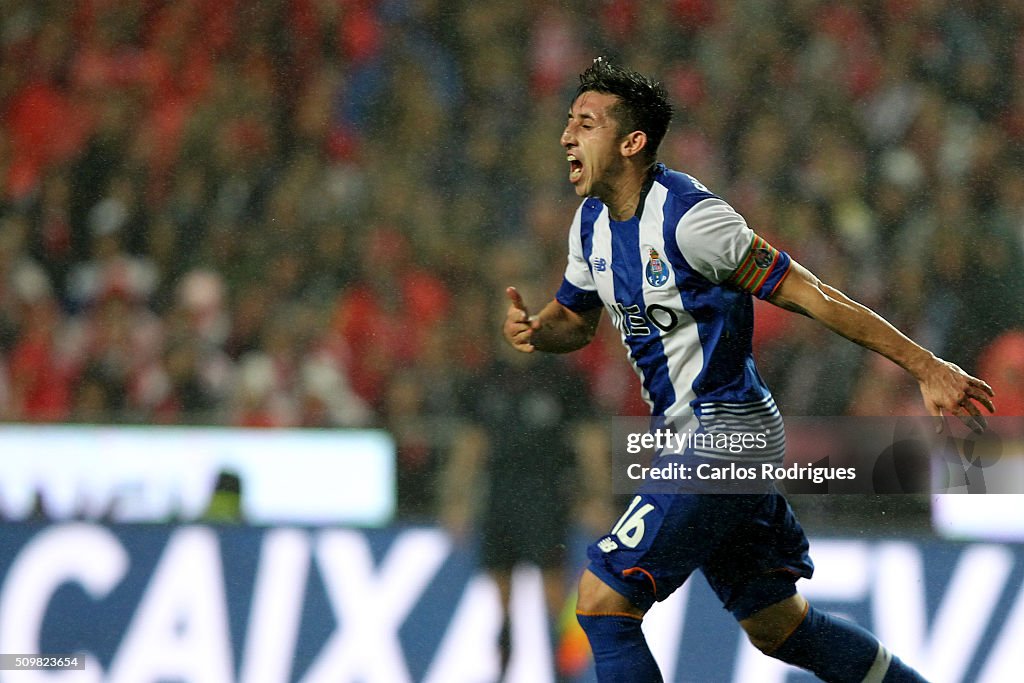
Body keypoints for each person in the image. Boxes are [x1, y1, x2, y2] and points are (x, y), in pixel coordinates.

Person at [502, 58, 995, 683]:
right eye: (569, 122)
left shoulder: (694, 221)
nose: (567, 136)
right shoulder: (591, 224)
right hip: (691, 438)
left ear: (631, 142)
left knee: (605, 604)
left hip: (728, 430)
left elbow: (813, 295)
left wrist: (926, 366)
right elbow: (575, 319)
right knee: (780, 627)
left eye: (586, 123)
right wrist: (538, 331)